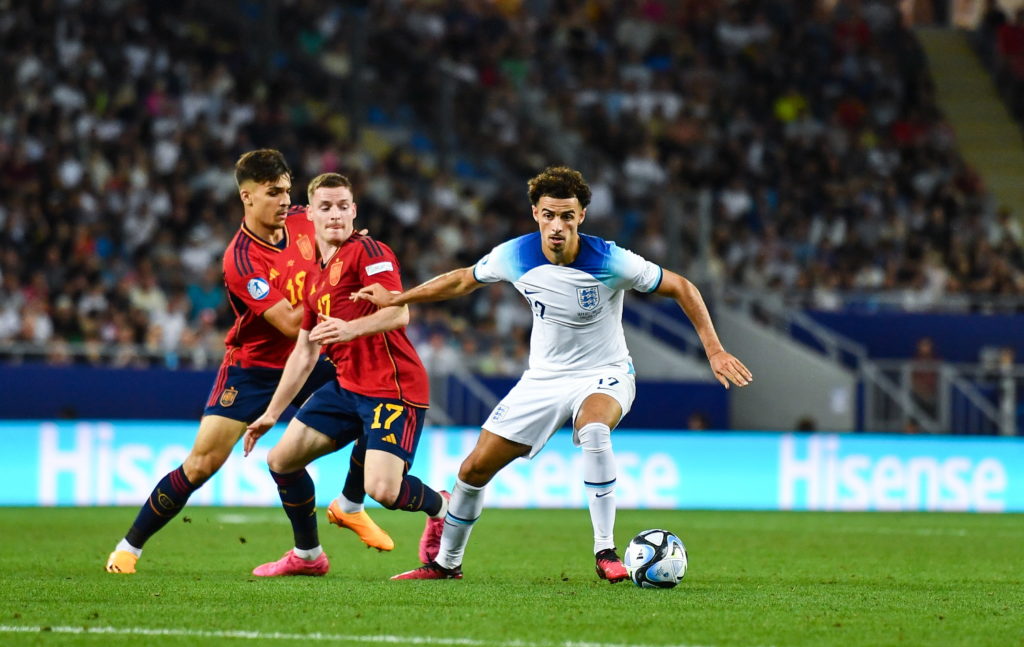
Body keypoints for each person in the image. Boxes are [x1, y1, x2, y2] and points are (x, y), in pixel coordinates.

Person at [356, 165, 753, 582]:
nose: (558, 225)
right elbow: (460, 282)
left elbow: (682, 287)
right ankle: (445, 565)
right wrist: (398, 298)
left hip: (605, 372)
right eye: (549, 215)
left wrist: (714, 349)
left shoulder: (610, 259)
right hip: (543, 380)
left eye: (567, 216)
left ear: (581, 216)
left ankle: (605, 552)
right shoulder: (515, 254)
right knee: (472, 470)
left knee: (595, 431)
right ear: (536, 215)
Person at [105, 150, 390, 574]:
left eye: (288, 191)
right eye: (273, 193)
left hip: (309, 358)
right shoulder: (241, 260)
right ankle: (129, 547)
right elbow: (293, 323)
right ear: (247, 197)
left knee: (380, 397)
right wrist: (339, 278)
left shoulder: (302, 218)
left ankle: (345, 509)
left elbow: (342, 242)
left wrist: (350, 251)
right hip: (253, 368)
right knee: (202, 463)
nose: (284, 201)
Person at [243, 172, 449, 577]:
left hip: (393, 386)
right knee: (281, 459)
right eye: (325, 207)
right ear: (310, 216)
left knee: (385, 491)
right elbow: (305, 351)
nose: (335, 214)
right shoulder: (314, 275)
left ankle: (444, 507)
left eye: (342, 206)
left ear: (354, 211)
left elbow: (399, 310)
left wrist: (351, 328)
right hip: (347, 387)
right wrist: (271, 413)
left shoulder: (369, 251)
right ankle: (307, 556)